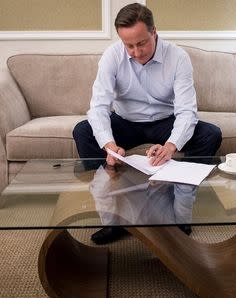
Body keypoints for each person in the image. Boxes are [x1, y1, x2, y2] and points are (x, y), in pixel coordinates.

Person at [73, 3, 222, 244]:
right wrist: (110, 145)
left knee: (210, 134)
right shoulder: (112, 56)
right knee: (83, 131)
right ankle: (111, 217)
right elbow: (99, 107)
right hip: (125, 121)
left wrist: (170, 146)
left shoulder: (178, 57)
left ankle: (180, 214)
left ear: (154, 32)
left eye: (141, 43)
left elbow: (186, 111)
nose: (136, 52)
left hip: (165, 120)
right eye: (129, 45)